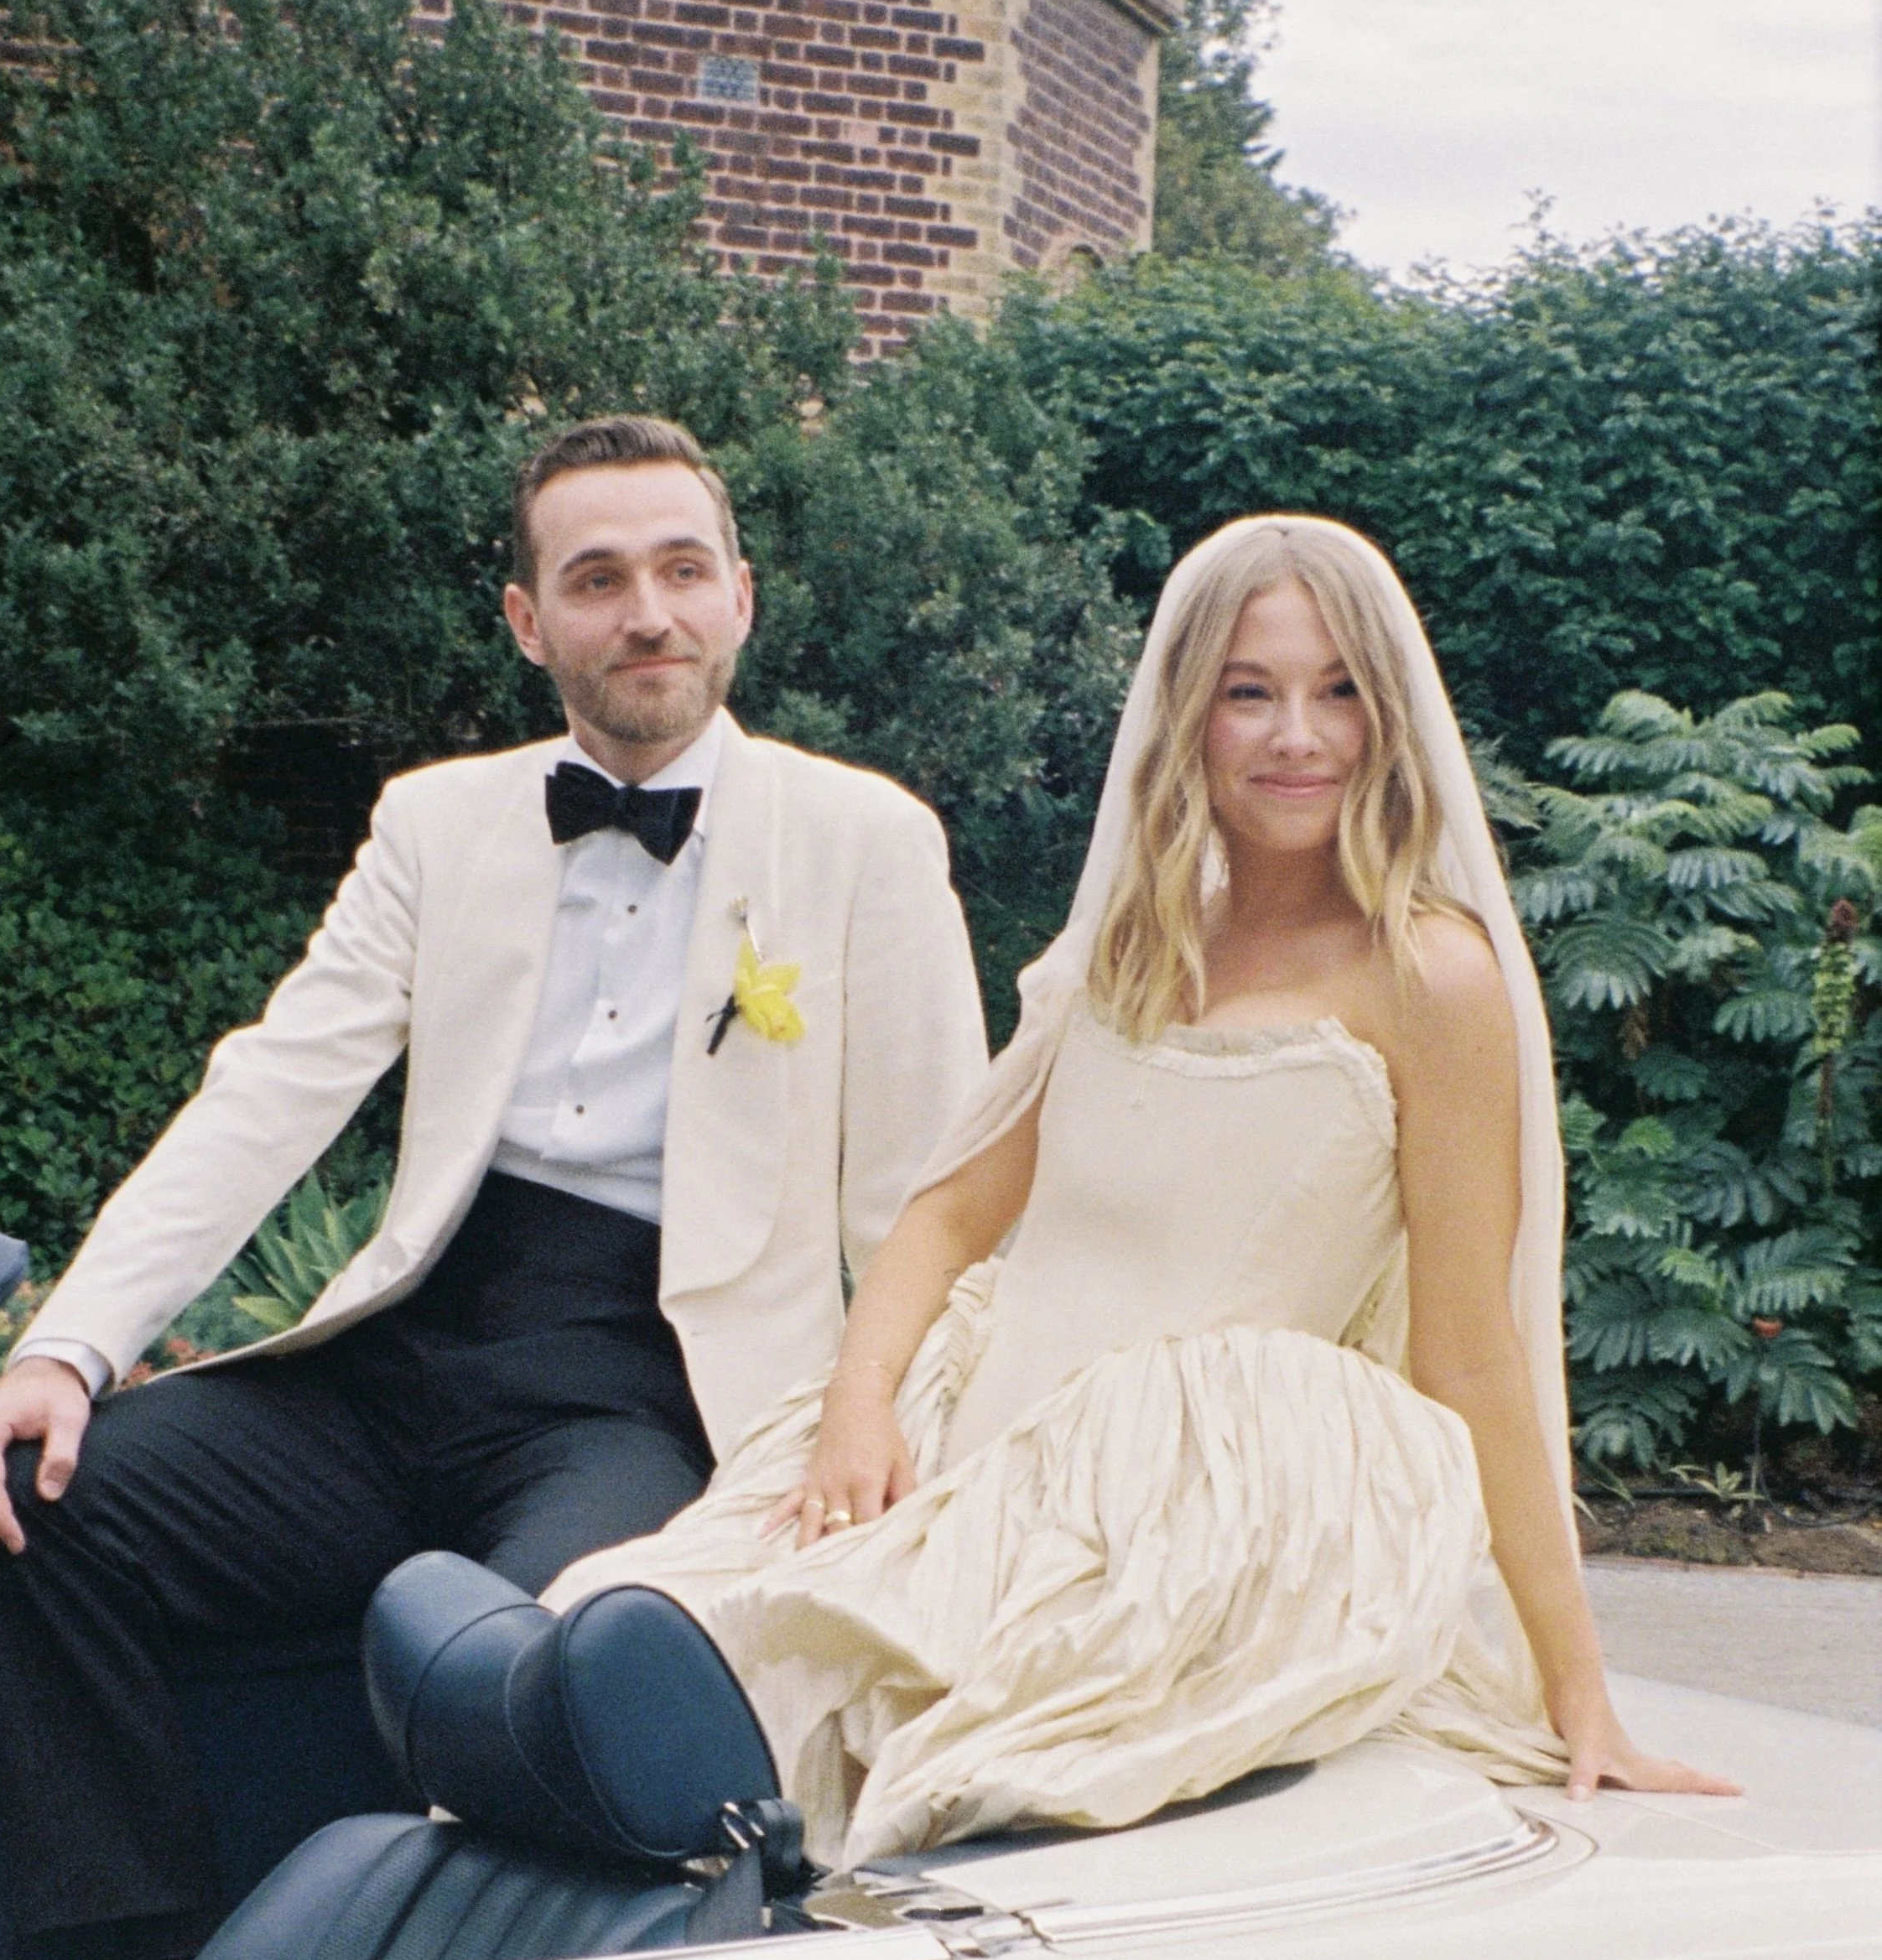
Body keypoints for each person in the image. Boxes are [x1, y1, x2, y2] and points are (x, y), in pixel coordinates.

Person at [0, 414, 988, 1960]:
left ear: (741, 598)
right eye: (598, 577)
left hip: (650, 1384)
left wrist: (881, 1424)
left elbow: (935, 1196)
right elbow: (270, 1090)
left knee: (531, 1666)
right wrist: (65, 1354)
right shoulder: (439, 819)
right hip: (411, 1345)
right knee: (32, 1501)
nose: (647, 614)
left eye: (682, 571)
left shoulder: (865, 841)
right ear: (527, 619)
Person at [548, 513, 1736, 1863]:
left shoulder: (1430, 975)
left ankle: (667, 1755)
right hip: (981, 1422)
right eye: (1250, 692)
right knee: (624, 1599)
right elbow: (944, 1213)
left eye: (1337, 690)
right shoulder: (1132, 939)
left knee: (807, 1687)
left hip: (1192, 1486)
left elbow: (1472, 1351)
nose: (1299, 734)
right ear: (1187, 714)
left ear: (1389, 716)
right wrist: (857, 1408)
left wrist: (1574, 1685)